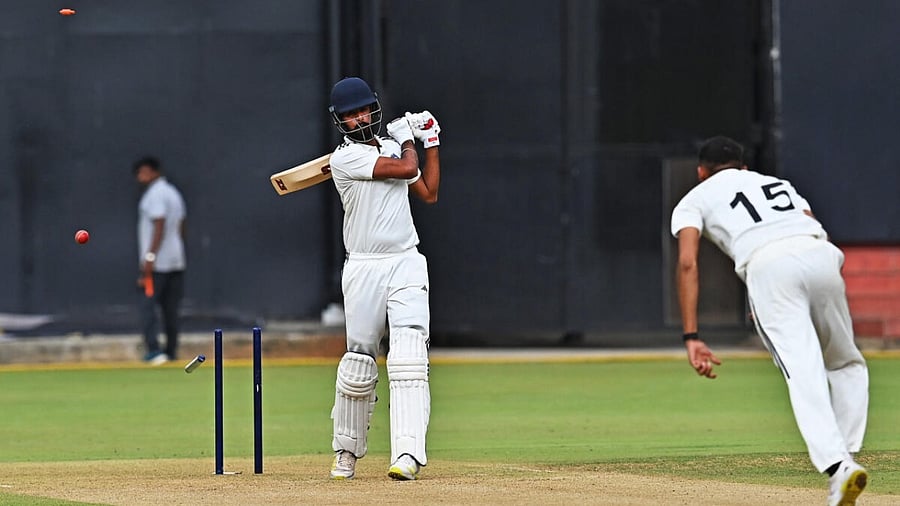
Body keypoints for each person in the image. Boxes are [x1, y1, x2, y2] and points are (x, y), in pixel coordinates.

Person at [671, 136, 869, 505]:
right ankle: (848, 455)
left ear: (701, 172)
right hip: (821, 253)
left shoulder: (693, 199)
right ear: (743, 167)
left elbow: (687, 262)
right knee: (846, 362)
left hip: (768, 265)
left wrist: (691, 335)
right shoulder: (776, 183)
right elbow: (808, 222)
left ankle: (839, 466)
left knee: (802, 368)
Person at [324, 77, 441, 481]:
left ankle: (407, 455)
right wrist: (409, 142)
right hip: (363, 265)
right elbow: (407, 167)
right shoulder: (345, 159)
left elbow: (426, 190)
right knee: (359, 363)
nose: (358, 119)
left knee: (409, 356)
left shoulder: (391, 148)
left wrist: (431, 143)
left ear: (373, 108)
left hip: (405, 260)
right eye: (349, 115)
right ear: (340, 121)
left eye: (362, 111)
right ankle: (346, 453)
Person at [134, 156, 187, 365]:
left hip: (157, 264)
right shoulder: (173, 193)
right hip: (176, 260)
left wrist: (149, 256)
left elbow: (159, 223)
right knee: (170, 308)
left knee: (148, 306)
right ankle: (171, 351)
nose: (140, 177)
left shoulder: (155, 195)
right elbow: (181, 225)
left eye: (144, 172)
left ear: (155, 172)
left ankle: (155, 351)